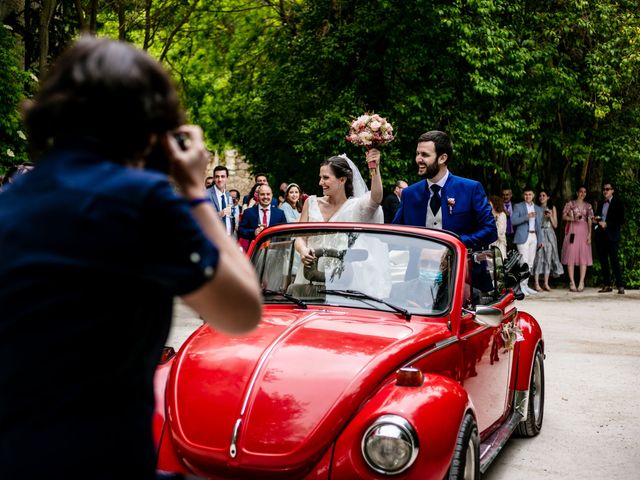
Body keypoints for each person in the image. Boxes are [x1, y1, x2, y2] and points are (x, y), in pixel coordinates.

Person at [0, 37, 262, 479]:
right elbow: (241, 311)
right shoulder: (142, 201)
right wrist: (196, 191)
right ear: (151, 126)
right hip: (104, 458)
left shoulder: (11, 200)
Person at [294, 151, 388, 297]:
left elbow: (376, 199)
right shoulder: (310, 202)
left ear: (342, 180)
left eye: (326, 178)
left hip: (343, 275)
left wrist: (374, 168)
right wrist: (302, 251)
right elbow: (300, 238)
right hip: (311, 271)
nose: (320, 183)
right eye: (320, 178)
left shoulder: (356, 206)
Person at [393, 130, 497, 249]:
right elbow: (396, 233)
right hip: (418, 266)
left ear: (442, 158)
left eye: (424, 155)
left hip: (459, 266)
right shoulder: (409, 194)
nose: (418, 159)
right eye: (417, 154)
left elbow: (490, 230)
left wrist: (454, 245)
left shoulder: (471, 189)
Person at [561, 185, 594, 292]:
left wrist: (589, 234)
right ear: (577, 192)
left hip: (584, 231)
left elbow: (590, 220)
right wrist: (572, 218)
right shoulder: (570, 204)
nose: (583, 193)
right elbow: (563, 216)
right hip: (572, 231)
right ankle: (572, 282)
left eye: (584, 192)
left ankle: (581, 282)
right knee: (571, 255)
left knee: (583, 257)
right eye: (581, 191)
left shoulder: (588, 206)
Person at [511, 186, 543, 296]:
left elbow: (539, 226)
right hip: (523, 236)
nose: (527, 196)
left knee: (530, 262)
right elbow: (513, 221)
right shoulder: (518, 206)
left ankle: (526, 285)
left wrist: (541, 239)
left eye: (530, 194)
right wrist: (526, 216)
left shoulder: (538, 208)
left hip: (534, 236)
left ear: (533, 195)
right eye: (526, 194)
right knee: (523, 262)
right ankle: (520, 287)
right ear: (523, 196)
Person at [594, 182, 625, 294]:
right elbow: (599, 217)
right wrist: (596, 220)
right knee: (603, 261)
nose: (605, 191)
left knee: (614, 261)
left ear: (612, 191)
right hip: (601, 235)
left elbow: (621, 220)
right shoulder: (601, 203)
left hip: (612, 236)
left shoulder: (618, 203)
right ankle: (607, 285)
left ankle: (620, 285)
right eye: (604, 189)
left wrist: (607, 224)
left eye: (608, 189)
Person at [532, 189, 564, 291]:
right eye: (540, 195)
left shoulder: (552, 208)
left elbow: (555, 225)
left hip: (550, 234)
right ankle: (536, 283)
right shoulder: (535, 208)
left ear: (548, 197)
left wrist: (550, 216)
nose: (541, 197)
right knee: (538, 258)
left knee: (548, 259)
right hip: (540, 233)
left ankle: (546, 283)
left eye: (544, 195)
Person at [207, 165, 235, 236]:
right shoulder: (206, 194)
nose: (220, 180)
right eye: (217, 177)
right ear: (213, 178)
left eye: (222, 176)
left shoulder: (228, 195)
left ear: (227, 178)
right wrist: (220, 214)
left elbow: (230, 218)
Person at [489, 195, 507, 259]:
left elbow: (500, 231)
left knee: (499, 262)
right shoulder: (488, 215)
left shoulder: (502, 215)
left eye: (489, 203)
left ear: (495, 204)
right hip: (490, 243)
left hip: (499, 242)